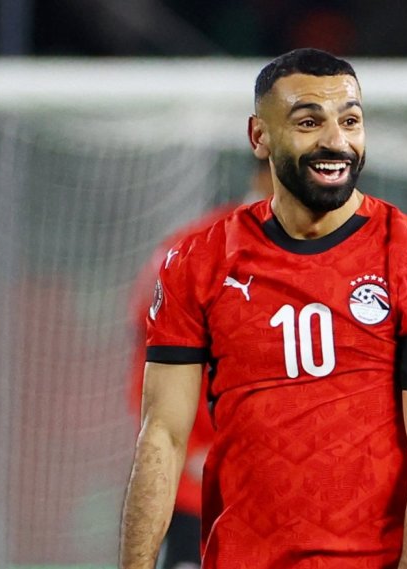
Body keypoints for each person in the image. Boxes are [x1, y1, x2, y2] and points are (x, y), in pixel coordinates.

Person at [119, 48, 407, 569]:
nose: (336, 141)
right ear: (259, 136)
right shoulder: (197, 261)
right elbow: (164, 437)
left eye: (350, 120)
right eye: (310, 121)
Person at [125, 161, 274, 569]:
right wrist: (192, 452)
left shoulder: (348, 258)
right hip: (202, 496)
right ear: (264, 172)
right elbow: (150, 363)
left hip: (303, 498)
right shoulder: (194, 250)